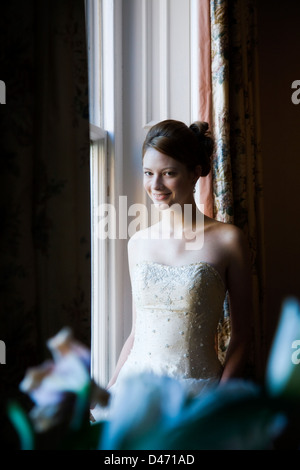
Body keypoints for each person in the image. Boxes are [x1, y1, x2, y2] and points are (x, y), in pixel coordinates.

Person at [93, 119, 253, 419]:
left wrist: (218, 402)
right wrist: (111, 390)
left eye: (168, 173)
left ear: (195, 173)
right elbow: (137, 332)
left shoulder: (229, 240)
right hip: (134, 393)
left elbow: (242, 335)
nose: (155, 186)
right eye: (148, 173)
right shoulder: (138, 243)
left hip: (200, 398)